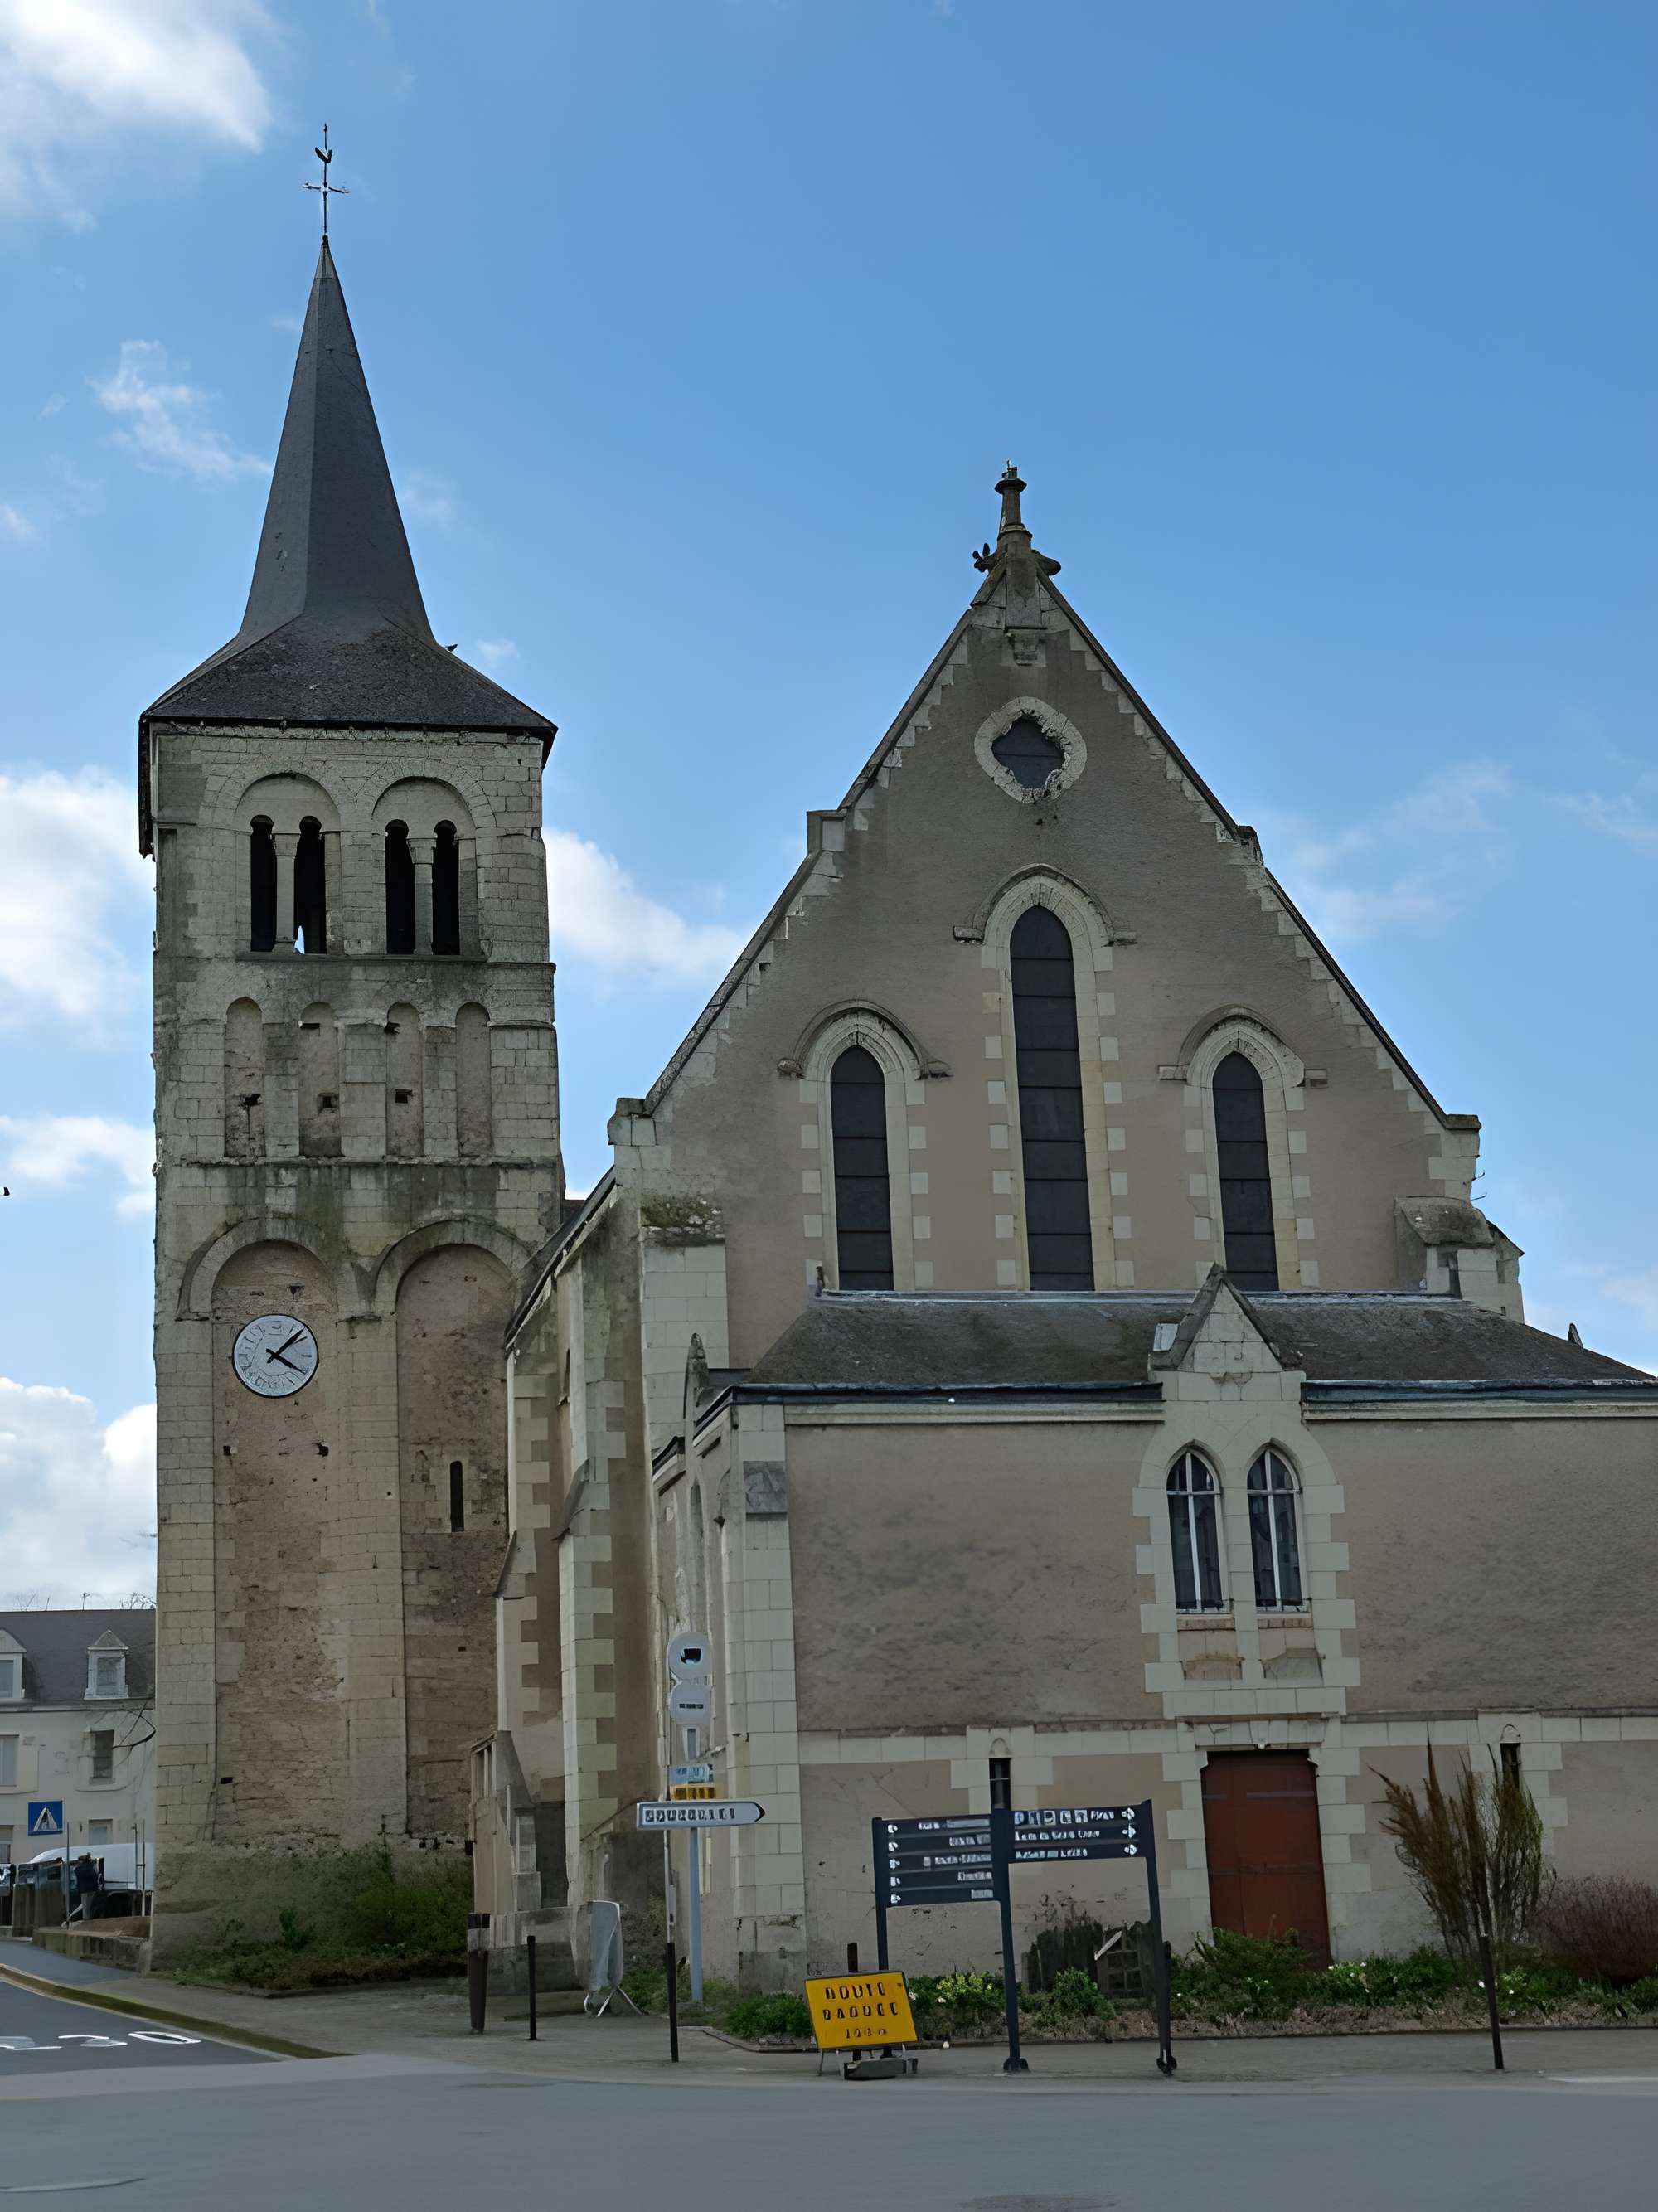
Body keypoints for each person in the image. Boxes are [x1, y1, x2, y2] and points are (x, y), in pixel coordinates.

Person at [72, 1851, 100, 1923]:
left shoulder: (80, 1869)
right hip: (92, 1888)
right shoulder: (90, 1868)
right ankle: (88, 1918)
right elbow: (95, 1876)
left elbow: (77, 1872)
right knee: (89, 1904)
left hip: (84, 1889)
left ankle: (86, 1919)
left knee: (85, 1905)